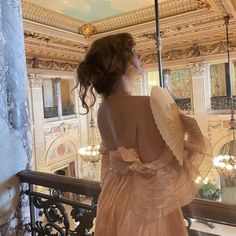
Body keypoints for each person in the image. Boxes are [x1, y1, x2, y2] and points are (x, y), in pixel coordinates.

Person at [75, 33, 212, 236]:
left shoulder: (103, 109)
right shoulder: (145, 106)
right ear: (120, 64)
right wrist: (193, 135)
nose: (139, 55)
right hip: (141, 208)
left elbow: (116, 162)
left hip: (113, 198)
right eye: (132, 52)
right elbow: (156, 168)